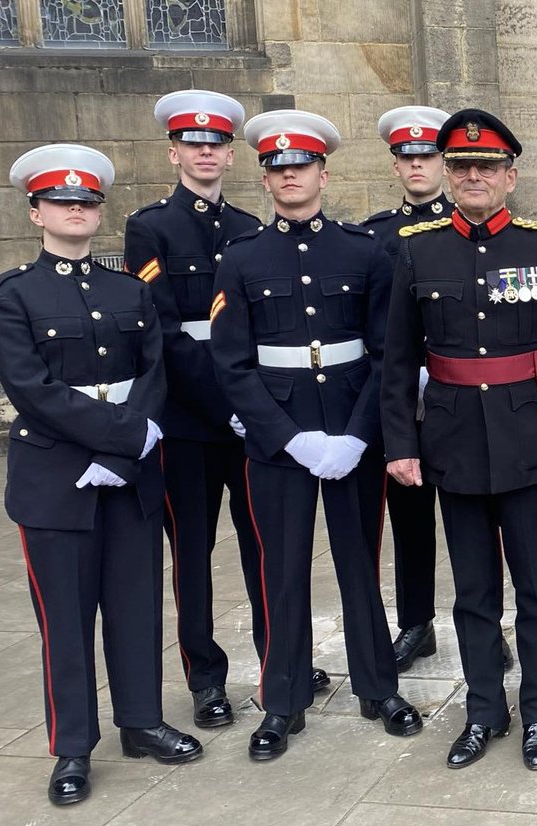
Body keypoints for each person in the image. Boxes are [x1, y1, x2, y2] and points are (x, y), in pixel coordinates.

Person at [382, 109, 537, 771]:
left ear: (511, 175)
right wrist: (402, 444)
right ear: (448, 174)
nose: (472, 176)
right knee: (473, 593)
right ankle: (484, 711)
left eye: (486, 166)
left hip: (528, 444)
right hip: (452, 442)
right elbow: (398, 360)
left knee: (536, 591)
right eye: (460, 166)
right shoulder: (418, 248)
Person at [0, 144, 202, 805]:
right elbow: (34, 390)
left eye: (85, 202)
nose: (75, 211)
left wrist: (123, 452)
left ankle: (140, 721)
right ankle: (72, 747)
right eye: (61, 201)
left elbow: (152, 373)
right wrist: (122, 438)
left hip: (129, 477)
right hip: (55, 480)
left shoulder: (130, 291)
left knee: (136, 609)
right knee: (67, 620)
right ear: (36, 213)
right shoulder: (10, 295)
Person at [210, 110, 422, 761]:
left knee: (360, 561)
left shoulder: (364, 250)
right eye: (276, 166)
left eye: (300, 164)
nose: (288, 175)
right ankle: (282, 700)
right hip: (279, 441)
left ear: (323, 173)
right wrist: (287, 437)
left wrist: (360, 436)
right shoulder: (241, 257)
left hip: (352, 433)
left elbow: (388, 354)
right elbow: (232, 361)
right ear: (267, 178)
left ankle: (378, 686)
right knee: (281, 569)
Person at [124, 89, 325, 732]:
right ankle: (206, 676)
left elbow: (260, 334)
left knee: (266, 546)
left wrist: (252, 408)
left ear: (233, 156)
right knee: (192, 552)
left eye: (217, 143)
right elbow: (158, 330)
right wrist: (229, 401)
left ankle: (279, 662)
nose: (205, 152)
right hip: (188, 421)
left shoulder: (248, 229)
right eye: (194, 143)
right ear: (174, 151)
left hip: (251, 422)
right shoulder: (149, 227)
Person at [363, 105, 513, 674]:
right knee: (409, 515)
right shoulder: (374, 234)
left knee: (479, 519)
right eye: (409, 157)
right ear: (397, 165)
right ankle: (416, 622)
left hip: (465, 397)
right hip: (404, 397)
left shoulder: (477, 230)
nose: (418, 166)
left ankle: (488, 624)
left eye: (429, 156)